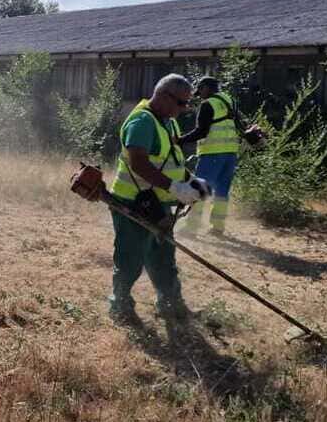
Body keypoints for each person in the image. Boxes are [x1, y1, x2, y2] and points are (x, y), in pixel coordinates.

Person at [108, 74, 210, 323]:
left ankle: (171, 304)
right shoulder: (142, 122)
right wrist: (175, 187)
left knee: (163, 257)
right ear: (163, 96)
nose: (184, 109)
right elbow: (139, 163)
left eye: (187, 104)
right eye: (181, 103)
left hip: (158, 204)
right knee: (130, 258)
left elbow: (172, 160)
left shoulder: (168, 122)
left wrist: (191, 181)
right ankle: (120, 307)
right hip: (134, 202)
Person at [177, 76, 262, 235]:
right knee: (222, 191)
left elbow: (201, 132)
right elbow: (240, 126)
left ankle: (191, 227)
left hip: (212, 153)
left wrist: (181, 140)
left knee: (200, 188)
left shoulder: (208, 104)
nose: (200, 95)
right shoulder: (230, 101)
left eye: (200, 91)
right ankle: (217, 227)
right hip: (231, 154)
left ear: (206, 88)